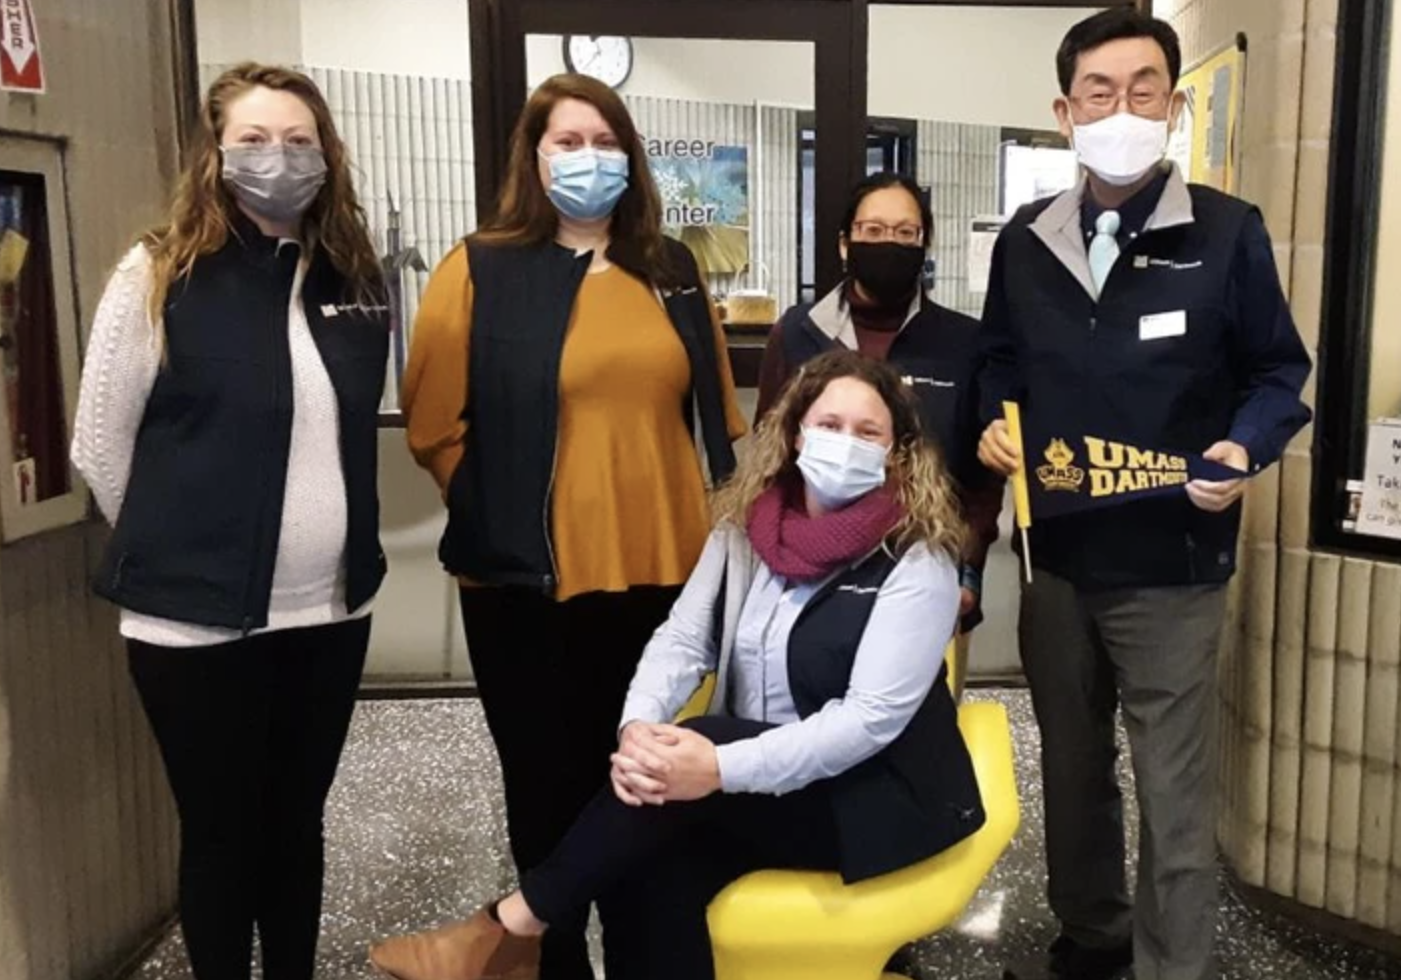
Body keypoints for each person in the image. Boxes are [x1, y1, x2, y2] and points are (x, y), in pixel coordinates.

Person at [370, 350, 985, 980]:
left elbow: (869, 722)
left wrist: (716, 765)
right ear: (797, 431)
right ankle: (510, 942)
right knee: (641, 870)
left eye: (867, 432)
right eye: (829, 425)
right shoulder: (746, 530)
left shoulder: (918, 557)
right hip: (763, 786)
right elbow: (683, 640)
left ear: (895, 451)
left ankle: (511, 926)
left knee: (701, 743)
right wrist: (638, 728)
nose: (844, 443)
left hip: (875, 794)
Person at [975, 11, 1312, 980]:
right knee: (1074, 778)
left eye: (1143, 89)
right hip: (1056, 567)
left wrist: (1244, 447)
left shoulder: (1226, 234)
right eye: (1098, 91)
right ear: (1063, 109)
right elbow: (1000, 360)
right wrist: (996, 423)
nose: (1121, 109)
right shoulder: (1026, 245)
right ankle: (1094, 935)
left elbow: (1278, 374)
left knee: (1173, 793)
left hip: (1175, 568)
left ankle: (1174, 968)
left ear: (1172, 103)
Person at [400, 73, 747, 980]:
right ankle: (550, 966)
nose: (588, 159)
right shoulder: (479, 267)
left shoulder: (670, 269)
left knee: (645, 793)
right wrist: (501, 509)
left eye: (605, 142)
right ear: (535, 156)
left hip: (663, 585)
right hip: (530, 590)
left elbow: (715, 415)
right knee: (550, 799)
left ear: (630, 158)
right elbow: (434, 425)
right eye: (567, 141)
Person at [70, 64, 388, 980]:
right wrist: (189, 542)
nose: (277, 158)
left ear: (327, 154)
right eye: (252, 138)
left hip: (328, 614)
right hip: (192, 620)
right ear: (214, 153)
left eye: (298, 139)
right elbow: (101, 445)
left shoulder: (354, 279)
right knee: (220, 835)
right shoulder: (161, 270)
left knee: (295, 826)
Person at [757, 171, 1003, 686]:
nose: (888, 243)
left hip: (929, 580)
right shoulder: (798, 334)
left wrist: (968, 571)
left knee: (918, 736)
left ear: (924, 244)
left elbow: (981, 480)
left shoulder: (964, 343)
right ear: (845, 244)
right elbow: (772, 463)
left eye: (904, 233)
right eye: (871, 231)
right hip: (808, 579)